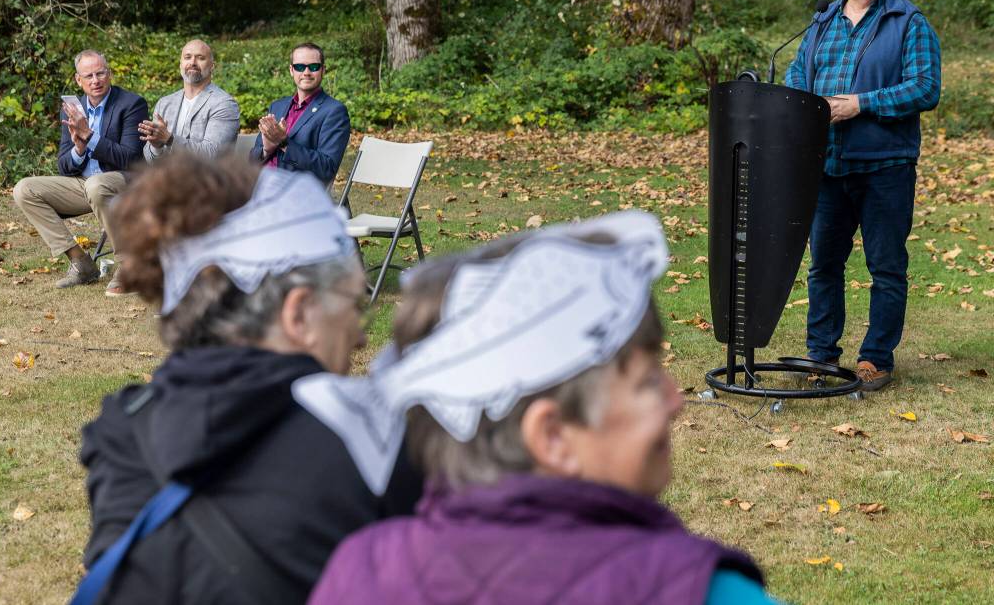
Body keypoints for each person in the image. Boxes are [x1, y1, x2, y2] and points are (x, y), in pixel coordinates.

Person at [295, 212, 777, 605]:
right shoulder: (700, 592)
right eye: (648, 381)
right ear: (551, 437)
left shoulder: (359, 571)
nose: (676, 402)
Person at [73, 153, 420, 605]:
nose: (358, 337)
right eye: (355, 306)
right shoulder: (369, 437)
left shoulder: (121, 430)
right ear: (298, 313)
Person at [785, 0, 941, 392]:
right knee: (823, 267)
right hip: (828, 168)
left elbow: (925, 87)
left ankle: (875, 359)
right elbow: (796, 79)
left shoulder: (910, 23)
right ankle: (820, 355)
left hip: (885, 168)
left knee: (886, 267)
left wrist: (862, 102)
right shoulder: (821, 23)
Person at [12, 50, 146, 295]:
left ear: (110, 74)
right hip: (82, 183)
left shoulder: (131, 104)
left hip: (122, 180)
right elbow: (64, 166)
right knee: (24, 189)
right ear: (78, 80)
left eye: (100, 73)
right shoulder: (73, 108)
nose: (96, 80)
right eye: (89, 75)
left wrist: (90, 137)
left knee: (96, 184)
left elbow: (130, 158)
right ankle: (81, 263)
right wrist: (79, 148)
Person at [250, 42, 350, 185]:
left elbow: (327, 168)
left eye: (314, 67)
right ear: (291, 70)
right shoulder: (277, 106)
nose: (306, 72)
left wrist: (284, 143)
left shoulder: (334, 111)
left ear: (323, 70)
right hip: (258, 187)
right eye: (299, 67)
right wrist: (267, 149)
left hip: (294, 193)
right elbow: (252, 160)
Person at [139, 39, 240, 162]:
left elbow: (212, 154)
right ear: (180, 64)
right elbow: (151, 162)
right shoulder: (164, 103)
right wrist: (156, 146)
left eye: (200, 58)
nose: (193, 62)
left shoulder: (224, 104)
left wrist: (169, 139)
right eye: (187, 57)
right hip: (168, 178)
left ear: (212, 66)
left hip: (208, 180)